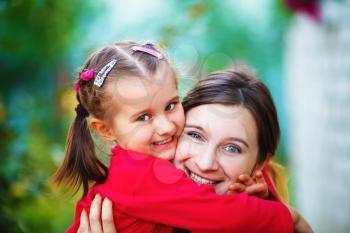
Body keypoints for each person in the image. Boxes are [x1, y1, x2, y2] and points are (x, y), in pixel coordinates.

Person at [55, 41, 303, 233]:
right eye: (143, 117)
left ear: (260, 162)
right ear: (106, 130)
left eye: (171, 105)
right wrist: (289, 217)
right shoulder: (139, 173)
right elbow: (217, 212)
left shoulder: (145, 168)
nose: (165, 127)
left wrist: (264, 199)